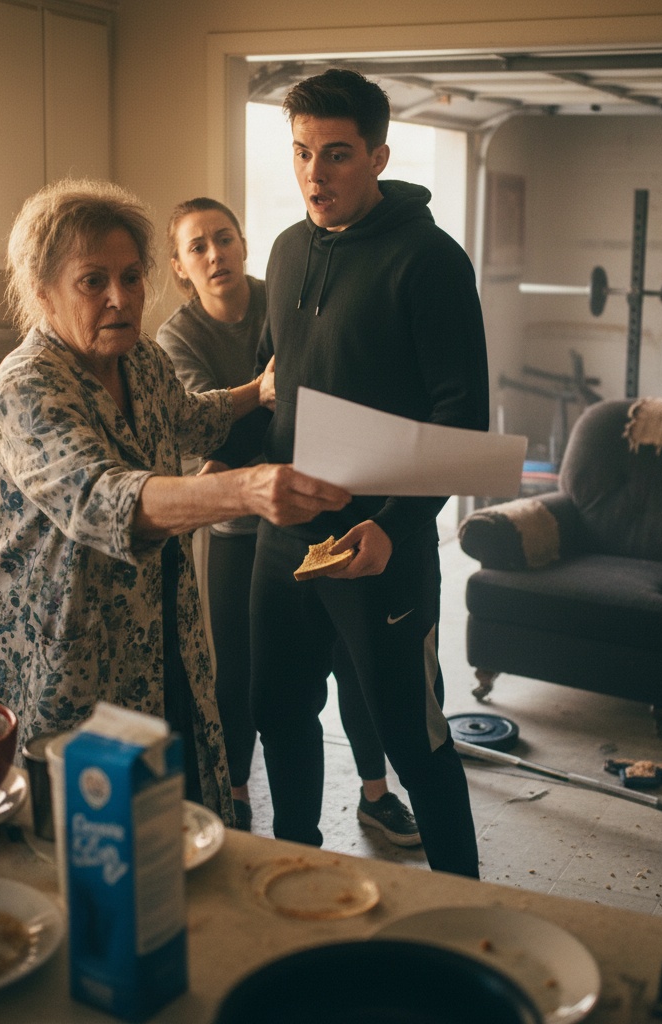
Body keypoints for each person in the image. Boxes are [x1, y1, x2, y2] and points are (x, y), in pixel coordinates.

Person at [0, 178, 350, 826]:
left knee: (166, 811)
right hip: (61, 644)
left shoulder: (138, 358)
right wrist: (247, 489)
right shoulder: (26, 386)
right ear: (42, 292)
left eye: (130, 277)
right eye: (93, 281)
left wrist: (253, 392)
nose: (120, 298)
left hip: (157, 622)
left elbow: (183, 418)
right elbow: (102, 498)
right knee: (83, 833)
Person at [224, 69, 489, 877]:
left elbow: (462, 420)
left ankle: (461, 904)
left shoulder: (431, 261)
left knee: (415, 739)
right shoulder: (286, 249)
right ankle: (296, 874)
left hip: (382, 547)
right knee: (280, 715)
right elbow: (280, 390)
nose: (314, 174)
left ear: (377, 156)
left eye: (336, 155)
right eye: (302, 153)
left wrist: (395, 525)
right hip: (285, 542)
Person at [156, 197, 420, 846]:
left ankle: (376, 796)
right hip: (234, 532)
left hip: (320, 516)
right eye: (198, 247)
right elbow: (207, 437)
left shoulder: (288, 293)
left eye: (224, 239)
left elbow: (328, 394)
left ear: (244, 245)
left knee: (351, 668)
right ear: (180, 268)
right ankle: (238, 799)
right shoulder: (177, 339)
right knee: (243, 678)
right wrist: (265, 397)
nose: (215, 254)